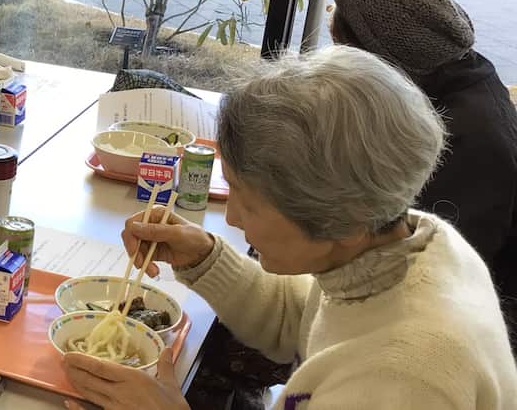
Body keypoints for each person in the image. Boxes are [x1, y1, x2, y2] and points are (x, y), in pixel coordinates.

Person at [63, 46, 517, 410]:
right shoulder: (407, 242)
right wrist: (203, 256)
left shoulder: (403, 378)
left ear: (341, 219)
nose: (234, 218)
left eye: (247, 199)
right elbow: (302, 319)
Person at [329, 0, 517, 325]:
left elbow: (421, 273)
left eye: (348, 54)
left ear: (386, 57)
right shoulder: (459, 76)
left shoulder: (464, 143)